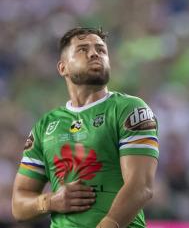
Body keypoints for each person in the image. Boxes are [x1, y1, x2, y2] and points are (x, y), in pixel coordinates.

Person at [11, 27, 159, 228]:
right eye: (82, 49)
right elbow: (19, 205)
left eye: (101, 49)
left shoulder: (129, 109)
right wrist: (50, 201)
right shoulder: (45, 126)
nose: (94, 53)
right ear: (63, 68)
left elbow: (141, 187)